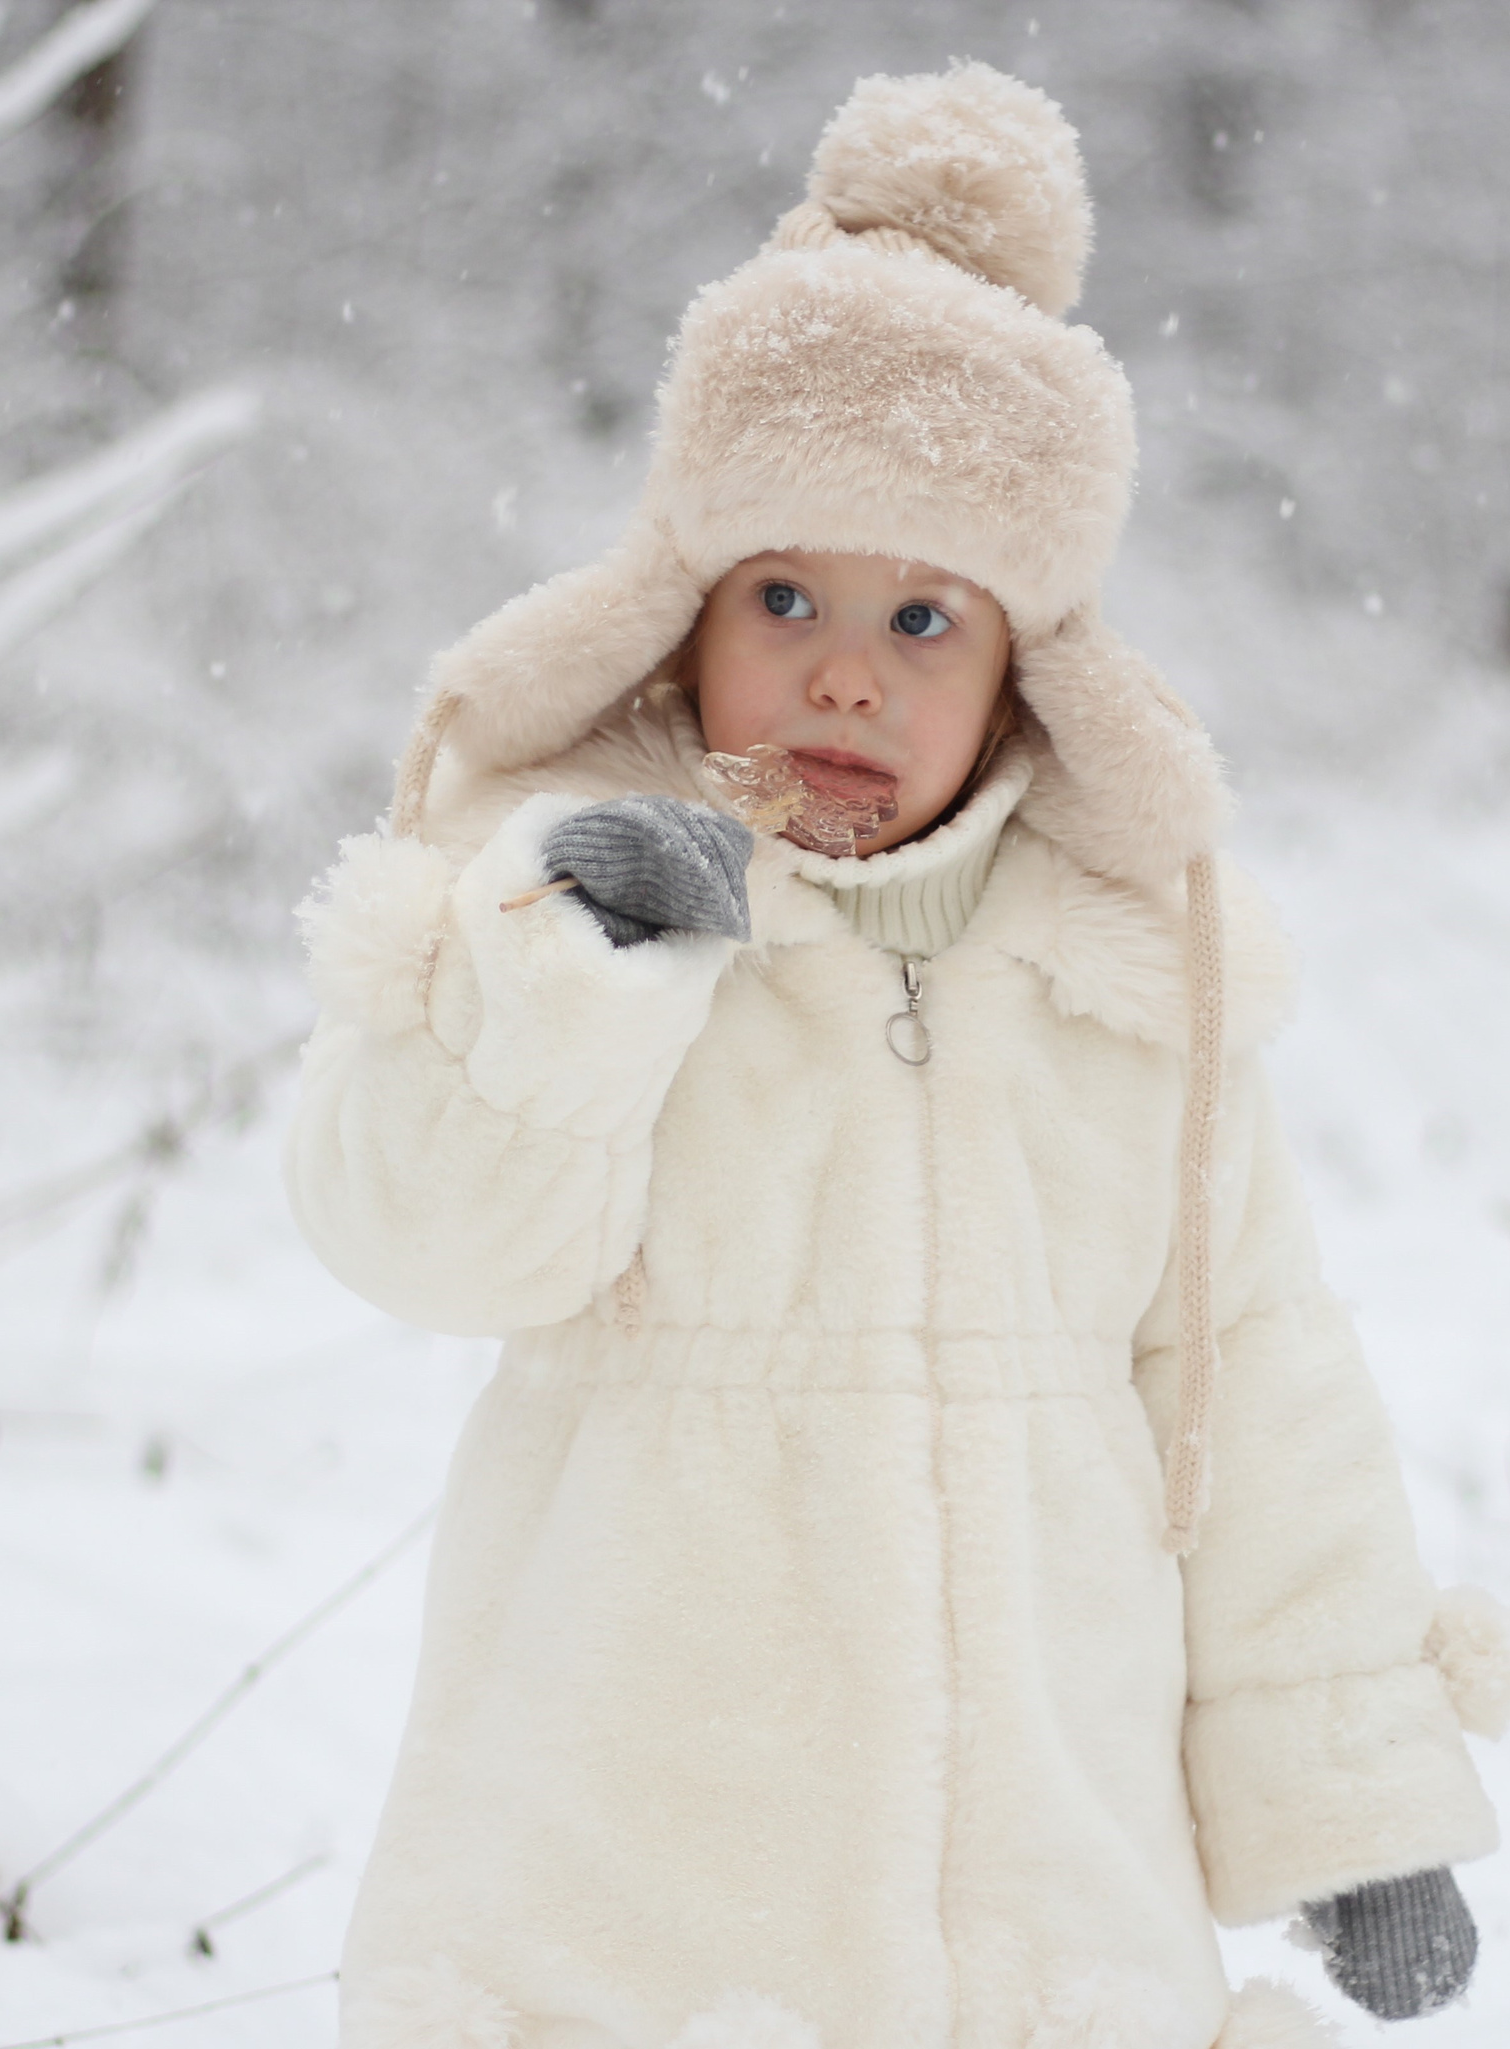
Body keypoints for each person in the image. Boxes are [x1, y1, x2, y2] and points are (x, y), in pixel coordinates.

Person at [286, 62, 1509, 2049]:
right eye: (783, 594)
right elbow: (421, 1239)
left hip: (1044, 1899)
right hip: (629, 1875)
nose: (842, 667)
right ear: (681, 624)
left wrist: (1346, 1789)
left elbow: (1254, 1384)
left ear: (1025, 656)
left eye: (921, 613)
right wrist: (574, 990)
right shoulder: (572, 910)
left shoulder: (1125, 986)